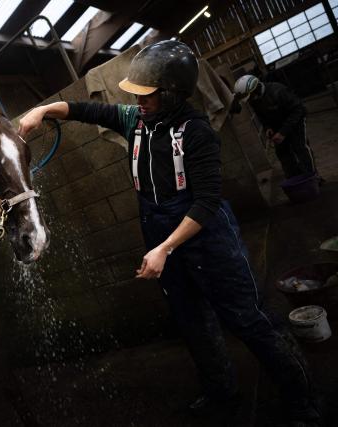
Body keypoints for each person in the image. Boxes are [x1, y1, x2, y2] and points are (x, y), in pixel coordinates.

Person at [19, 40, 321, 426]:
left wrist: (164, 248)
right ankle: (221, 395)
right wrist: (42, 110)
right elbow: (83, 109)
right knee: (193, 324)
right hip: (162, 234)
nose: (139, 101)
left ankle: (304, 403)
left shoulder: (197, 133)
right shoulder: (136, 120)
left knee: (252, 321)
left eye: (148, 95)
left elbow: (207, 202)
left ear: (174, 93)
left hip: (207, 239)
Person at [232, 74, 317, 179]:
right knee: (283, 153)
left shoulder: (278, 91)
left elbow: (298, 110)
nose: (250, 100)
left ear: (256, 89)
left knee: (300, 148)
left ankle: (313, 178)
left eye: (250, 96)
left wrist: (283, 132)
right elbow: (261, 115)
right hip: (277, 125)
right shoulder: (254, 99)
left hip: (294, 121)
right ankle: (295, 179)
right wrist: (267, 127)